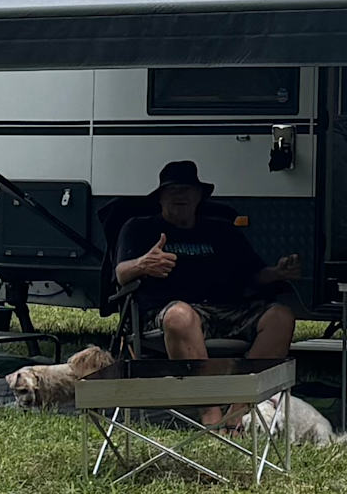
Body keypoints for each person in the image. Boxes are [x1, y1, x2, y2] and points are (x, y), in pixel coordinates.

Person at [110, 159, 301, 372]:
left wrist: (277, 273)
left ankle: (246, 391)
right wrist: (142, 264)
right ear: (160, 198)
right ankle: (206, 393)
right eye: (172, 190)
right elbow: (120, 274)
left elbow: (253, 274)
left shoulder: (222, 231)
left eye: (187, 189)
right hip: (167, 311)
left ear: (199, 196)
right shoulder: (139, 229)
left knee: (281, 317)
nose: (180, 195)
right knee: (181, 316)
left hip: (227, 310)